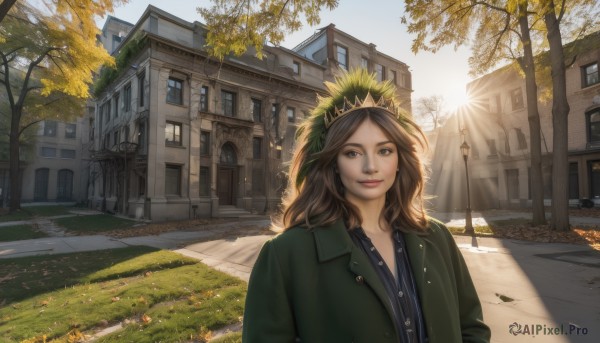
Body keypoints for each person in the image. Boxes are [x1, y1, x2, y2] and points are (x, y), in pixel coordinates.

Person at [242, 69, 491, 343]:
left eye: (384, 150)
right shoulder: (285, 255)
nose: (371, 166)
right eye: (353, 152)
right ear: (333, 163)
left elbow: (472, 329)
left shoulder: (437, 238)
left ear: (400, 160)